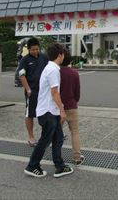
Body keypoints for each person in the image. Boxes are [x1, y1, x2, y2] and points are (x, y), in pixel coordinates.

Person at [24, 43, 74, 178]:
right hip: (48, 112)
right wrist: (62, 110)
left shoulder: (50, 68)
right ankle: (32, 165)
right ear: (60, 55)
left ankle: (60, 166)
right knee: (45, 140)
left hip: (50, 111)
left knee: (58, 139)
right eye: (63, 53)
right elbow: (54, 92)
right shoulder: (53, 70)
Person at [17, 38, 48, 146]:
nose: (35, 51)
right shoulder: (24, 60)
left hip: (44, 92)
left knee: (45, 113)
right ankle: (31, 136)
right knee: (30, 114)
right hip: (32, 92)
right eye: (33, 50)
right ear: (28, 49)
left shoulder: (44, 57)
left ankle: (46, 136)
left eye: (37, 49)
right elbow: (21, 75)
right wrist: (28, 89)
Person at [60, 49, 85, 166]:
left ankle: (57, 155)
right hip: (72, 106)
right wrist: (75, 101)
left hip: (58, 107)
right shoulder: (74, 73)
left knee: (56, 132)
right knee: (74, 132)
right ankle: (77, 157)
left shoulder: (56, 72)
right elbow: (77, 92)